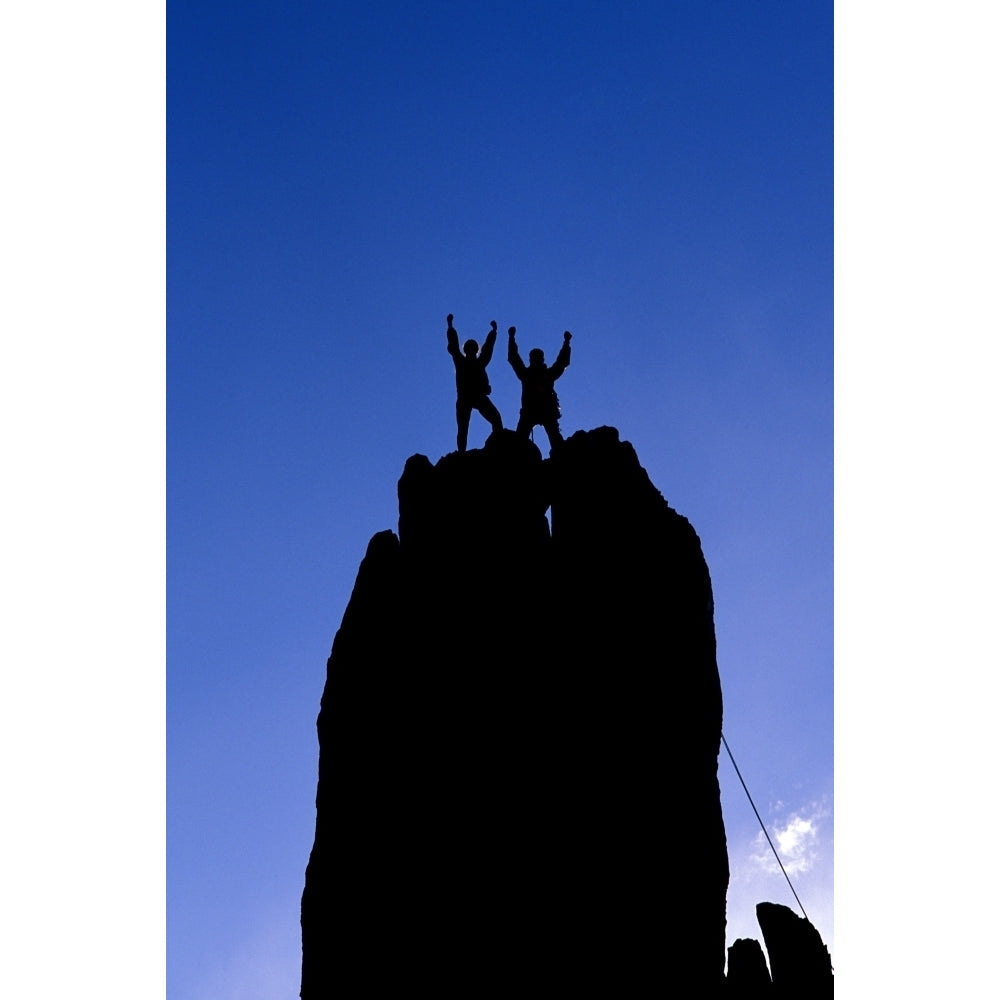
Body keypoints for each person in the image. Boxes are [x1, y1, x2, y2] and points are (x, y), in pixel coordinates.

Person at [507, 326, 572, 449]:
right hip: (536, 411)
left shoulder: (530, 375)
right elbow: (514, 358)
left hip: (540, 411)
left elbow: (514, 358)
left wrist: (511, 338)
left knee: (552, 439)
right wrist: (566, 343)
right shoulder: (539, 375)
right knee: (522, 441)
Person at [446, 313, 503, 452]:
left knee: (495, 419)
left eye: (473, 348)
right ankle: (461, 454)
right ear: (466, 350)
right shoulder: (461, 362)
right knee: (463, 428)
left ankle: (498, 446)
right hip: (466, 397)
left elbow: (488, 349)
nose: (472, 350)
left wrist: (493, 332)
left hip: (477, 396)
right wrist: (450, 326)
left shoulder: (479, 363)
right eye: (469, 348)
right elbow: (453, 346)